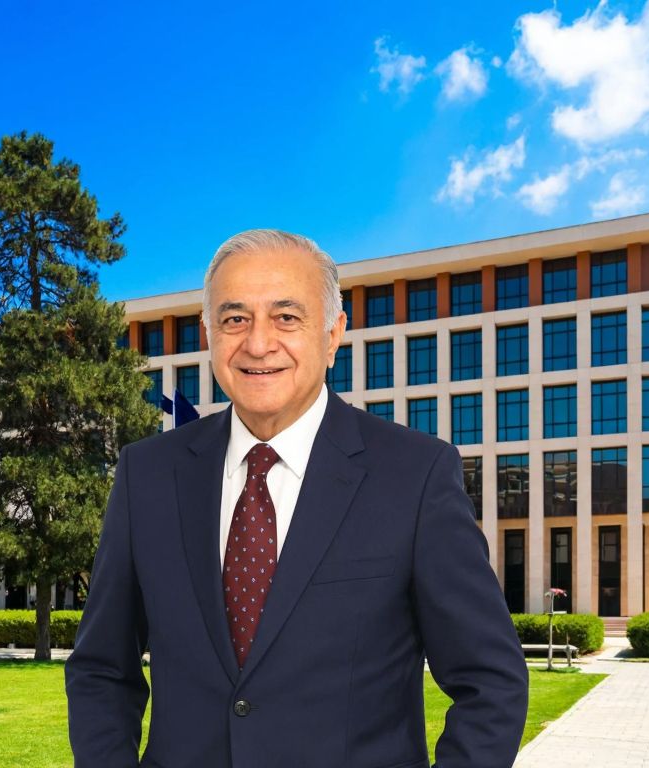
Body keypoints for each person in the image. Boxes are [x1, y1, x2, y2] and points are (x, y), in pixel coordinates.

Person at [66, 229, 528, 767]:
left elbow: (490, 683)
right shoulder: (146, 474)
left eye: (287, 317)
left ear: (334, 334)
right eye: (235, 319)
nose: (258, 343)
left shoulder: (416, 475)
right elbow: (102, 669)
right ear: (209, 335)